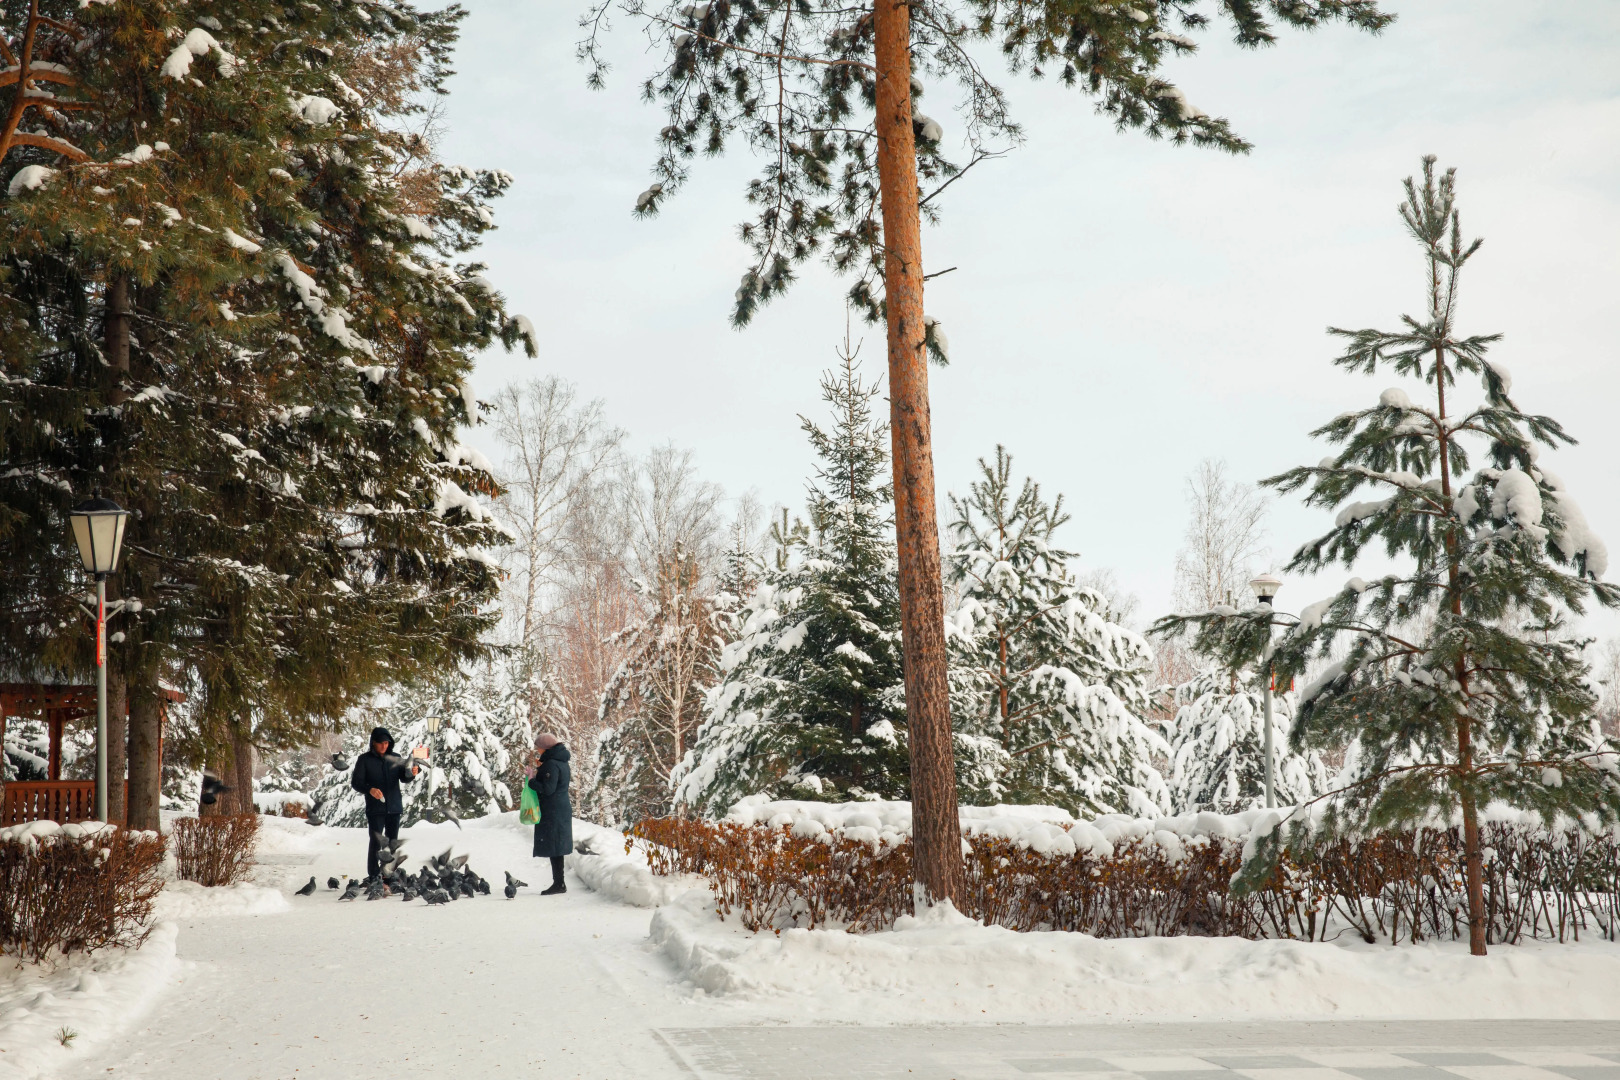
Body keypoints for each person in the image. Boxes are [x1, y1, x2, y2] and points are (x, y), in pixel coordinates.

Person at [350, 727, 422, 880]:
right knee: (376, 843)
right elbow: (356, 783)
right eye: (381, 743)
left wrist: (412, 773)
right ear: (373, 743)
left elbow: (404, 777)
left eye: (386, 743)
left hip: (394, 808)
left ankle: (388, 875)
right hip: (376, 809)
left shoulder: (396, 757)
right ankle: (374, 876)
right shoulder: (365, 760)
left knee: (392, 844)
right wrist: (370, 790)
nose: (384, 746)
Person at [528, 733, 573, 895]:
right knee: (557, 847)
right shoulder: (561, 762)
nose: (537, 750)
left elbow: (548, 789)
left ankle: (559, 884)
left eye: (538, 747)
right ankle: (559, 883)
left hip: (553, 810)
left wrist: (532, 780)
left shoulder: (551, 764)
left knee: (555, 847)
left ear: (545, 748)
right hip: (560, 808)